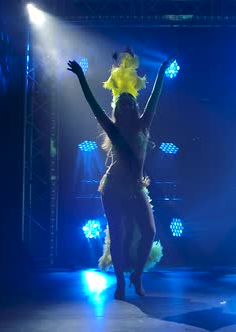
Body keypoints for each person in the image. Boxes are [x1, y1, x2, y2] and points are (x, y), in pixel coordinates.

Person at [67, 50, 172, 300]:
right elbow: (93, 103)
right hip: (113, 187)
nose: (126, 104)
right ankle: (120, 282)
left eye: (130, 101)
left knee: (149, 231)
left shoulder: (143, 124)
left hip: (136, 188)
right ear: (117, 108)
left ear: (135, 106)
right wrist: (81, 77)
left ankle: (136, 275)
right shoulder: (112, 129)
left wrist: (161, 73)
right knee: (117, 234)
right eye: (122, 101)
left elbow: (155, 98)